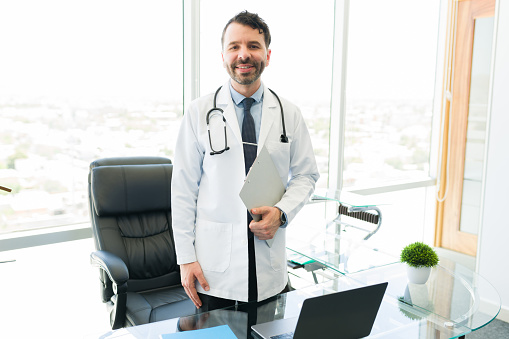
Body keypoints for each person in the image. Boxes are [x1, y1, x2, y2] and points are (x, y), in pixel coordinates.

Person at [171, 10, 319, 312]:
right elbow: (183, 190)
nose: (244, 54)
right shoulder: (199, 112)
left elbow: (306, 176)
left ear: (267, 54)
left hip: (270, 261)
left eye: (253, 45)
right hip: (214, 268)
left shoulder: (289, 113)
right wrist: (186, 258)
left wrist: (282, 212)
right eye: (234, 46)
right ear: (223, 55)